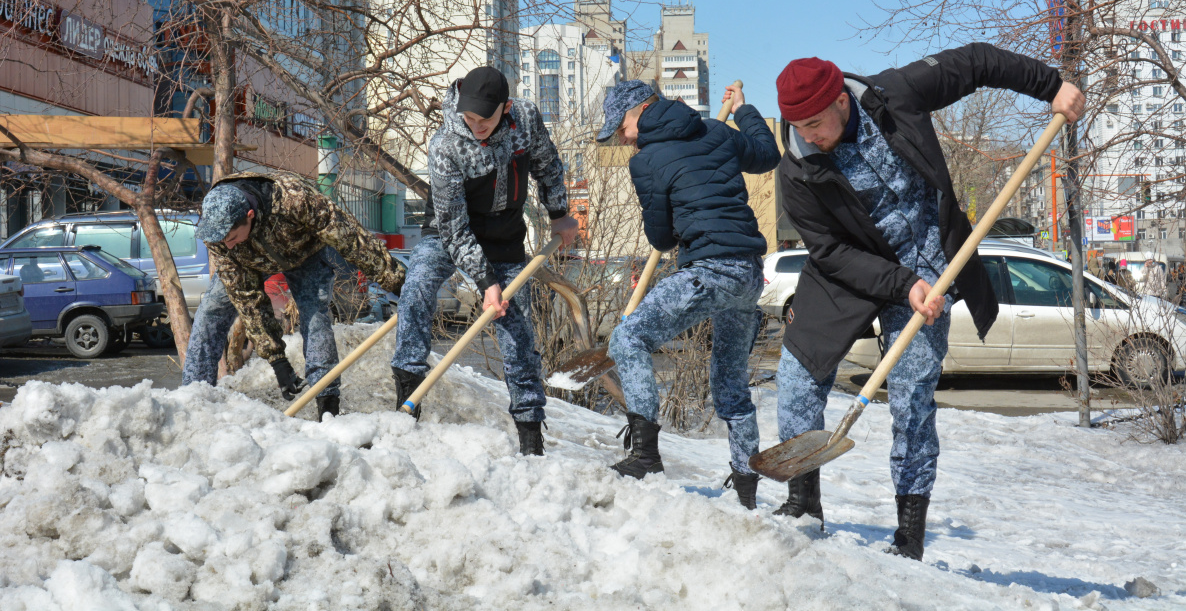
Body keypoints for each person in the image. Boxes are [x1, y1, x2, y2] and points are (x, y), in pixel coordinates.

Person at [774, 44, 1084, 559]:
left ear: (841, 103)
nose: (807, 136)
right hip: (848, 274)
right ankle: (804, 508)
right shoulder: (797, 170)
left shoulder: (895, 94)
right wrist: (897, 283)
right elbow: (829, 251)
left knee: (913, 400)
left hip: (929, 274)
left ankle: (908, 539)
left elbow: (978, 62)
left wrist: (1050, 86)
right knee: (796, 379)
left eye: (814, 123)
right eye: (797, 126)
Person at [596, 79, 780, 509]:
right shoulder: (715, 132)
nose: (621, 138)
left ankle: (644, 456)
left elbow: (661, 238)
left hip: (710, 271)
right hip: (749, 275)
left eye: (620, 126)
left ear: (640, 110)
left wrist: (675, 213)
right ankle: (746, 486)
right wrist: (743, 110)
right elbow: (767, 155)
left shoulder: (646, 161)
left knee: (628, 338)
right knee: (730, 383)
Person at [389, 66, 579, 455]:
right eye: (469, 117)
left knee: (516, 327)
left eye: (485, 119)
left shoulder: (524, 118)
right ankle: (407, 401)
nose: (476, 125)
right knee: (418, 285)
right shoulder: (445, 144)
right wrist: (484, 281)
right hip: (447, 234)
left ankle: (530, 433)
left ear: (505, 108)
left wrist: (559, 212)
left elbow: (548, 165)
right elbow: (455, 230)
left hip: (504, 238)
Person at [184, 172, 407, 421]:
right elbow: (247, 298)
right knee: (210, 313)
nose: (228, 245)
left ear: (250, 216)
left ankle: (327, 406)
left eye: (233, 238)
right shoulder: (218, 232)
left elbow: (354, 242)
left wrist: (398, 283)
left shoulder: (296, 200)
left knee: (315, 317)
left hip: (304, 253)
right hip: (248, 261)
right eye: (223, 241)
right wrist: (277, 359)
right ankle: (194, 400)